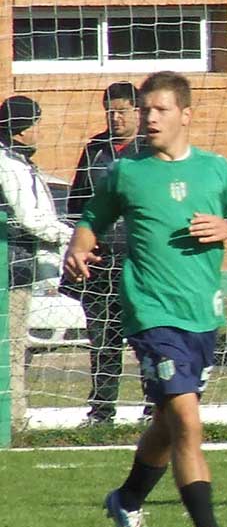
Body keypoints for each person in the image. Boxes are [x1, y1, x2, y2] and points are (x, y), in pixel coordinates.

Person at [64, 71, 227, 527]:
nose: (148, 117)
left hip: (201, 315)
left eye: (160, 110)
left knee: (169, 425)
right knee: (188, 422)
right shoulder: (127, 172)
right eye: (145, 109)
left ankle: (127, 500)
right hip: (150, 312)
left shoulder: (215, 171)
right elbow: (91, 218)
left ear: (185, 115)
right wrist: (78, 248)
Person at [67, 81, 144, 426]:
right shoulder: (95, 149)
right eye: (110, 111)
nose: (116, 118)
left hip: (140, 263)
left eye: (123, 111)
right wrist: (83, 242)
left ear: (138, 112)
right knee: (102, 341)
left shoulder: (151, 150)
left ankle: (155, 410)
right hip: (101, 264)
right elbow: (77, 204)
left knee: (146, 337)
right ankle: (101, 413)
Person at [0, 95, 74, 430]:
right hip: (12, 269)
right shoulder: (9, 164)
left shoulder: (17, 160)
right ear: (19, 130)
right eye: (34, 124)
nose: (37, 131)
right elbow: (31, 219)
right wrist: (68, 236)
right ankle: (14, 421)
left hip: (16, 267)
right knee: (13, 348)